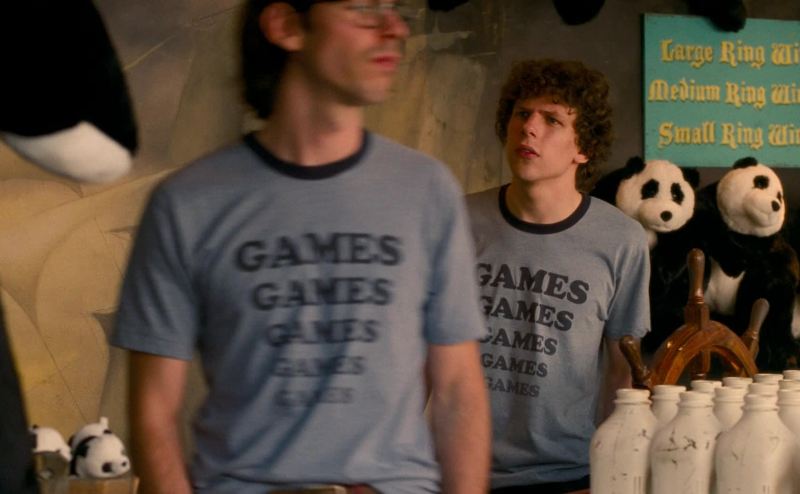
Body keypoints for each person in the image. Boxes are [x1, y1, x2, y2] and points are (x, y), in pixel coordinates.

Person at [111, 1, 490, 493]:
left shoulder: (427, 190)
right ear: (287, 26)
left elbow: (458, 390)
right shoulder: (186, 204)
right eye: (363, 7)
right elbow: (153, 413)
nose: (395, 28)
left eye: (393, 7)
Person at [465, 59, 651, 494]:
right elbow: (421, 355)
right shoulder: (457, 220)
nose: (529, 128)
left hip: (568, 474)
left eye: (551, 120)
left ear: (582, 147)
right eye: (521, 113)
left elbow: (621, 372)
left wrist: (609, 472)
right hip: (462, 468)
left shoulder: (620, 239)